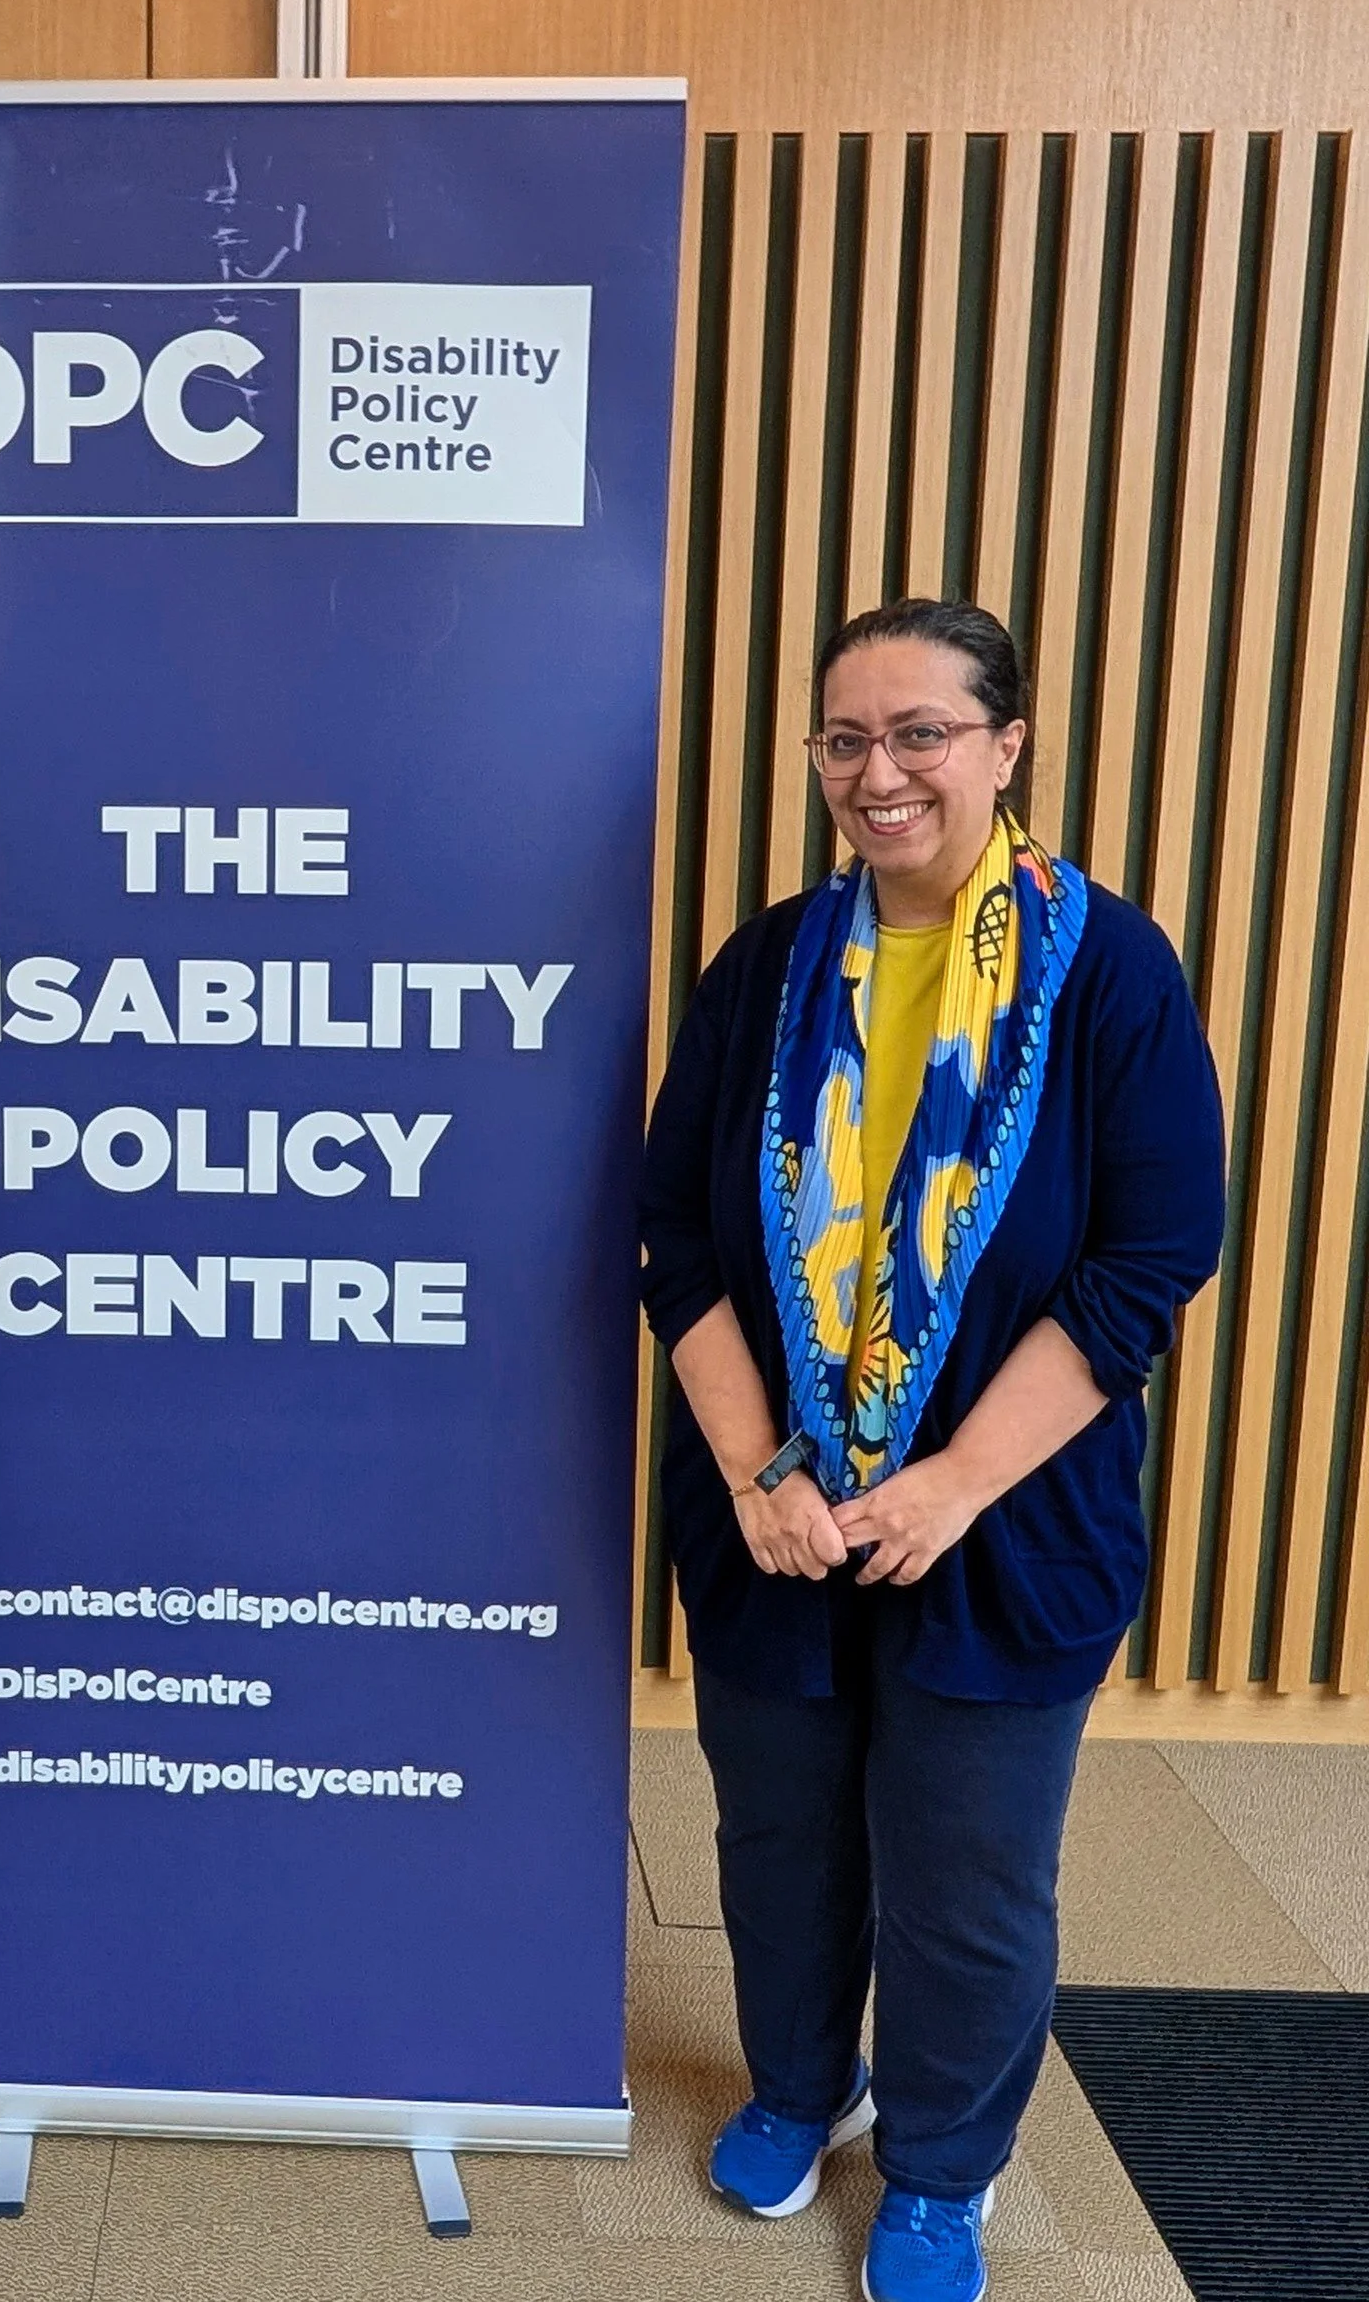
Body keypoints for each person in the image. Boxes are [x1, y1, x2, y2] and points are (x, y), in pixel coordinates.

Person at [637, 600, 1225, 2302]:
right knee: (780, 1840)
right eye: (846, 737)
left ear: (1006, 744)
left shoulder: (1106, 970)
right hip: (779, 1517)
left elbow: (1148, 1260)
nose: (876, 771)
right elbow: (675, 1228)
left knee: (966, 1875)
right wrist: (760, 1470)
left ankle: (943, 2164)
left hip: (1006, 1524)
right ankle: (800, 2084)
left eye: (920, 732)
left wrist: (954, 1482)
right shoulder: (769, 966)